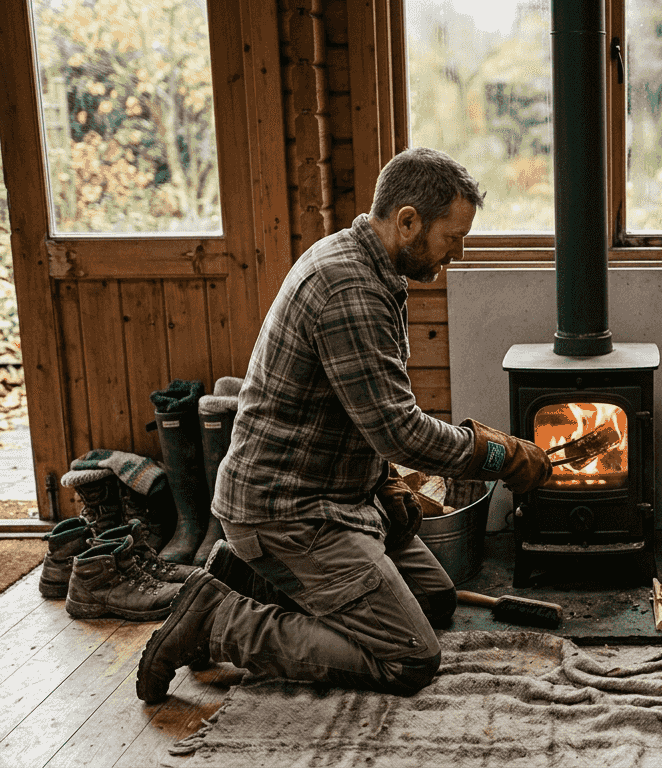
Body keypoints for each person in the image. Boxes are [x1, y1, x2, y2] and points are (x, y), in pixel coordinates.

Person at [136, 147, 552, 703]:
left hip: (339, 498)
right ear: (407, 221)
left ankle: (243, 578)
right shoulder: (348, 289)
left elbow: (355, 411)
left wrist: (382, 483)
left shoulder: (370, 264)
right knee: (409, 657)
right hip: (290, 513)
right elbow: (399, 431)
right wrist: (500, 455)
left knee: (433, 600)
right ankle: (219, 623)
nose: (457, 252)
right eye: (452, 239)